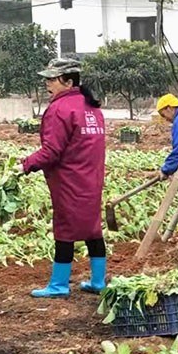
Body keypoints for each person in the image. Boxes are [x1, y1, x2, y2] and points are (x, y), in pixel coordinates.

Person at [18, 59, 107, 298]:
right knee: (92, 228)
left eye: (52, 79)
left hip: (70, 179)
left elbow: (51, 151)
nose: (47, 83)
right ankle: (98, 281)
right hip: (92, 177)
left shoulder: (60, 109)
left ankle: (59, 285)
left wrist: (26, 164)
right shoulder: (92, 107)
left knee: (65, 229)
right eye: (46, 78)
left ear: (68, 81)